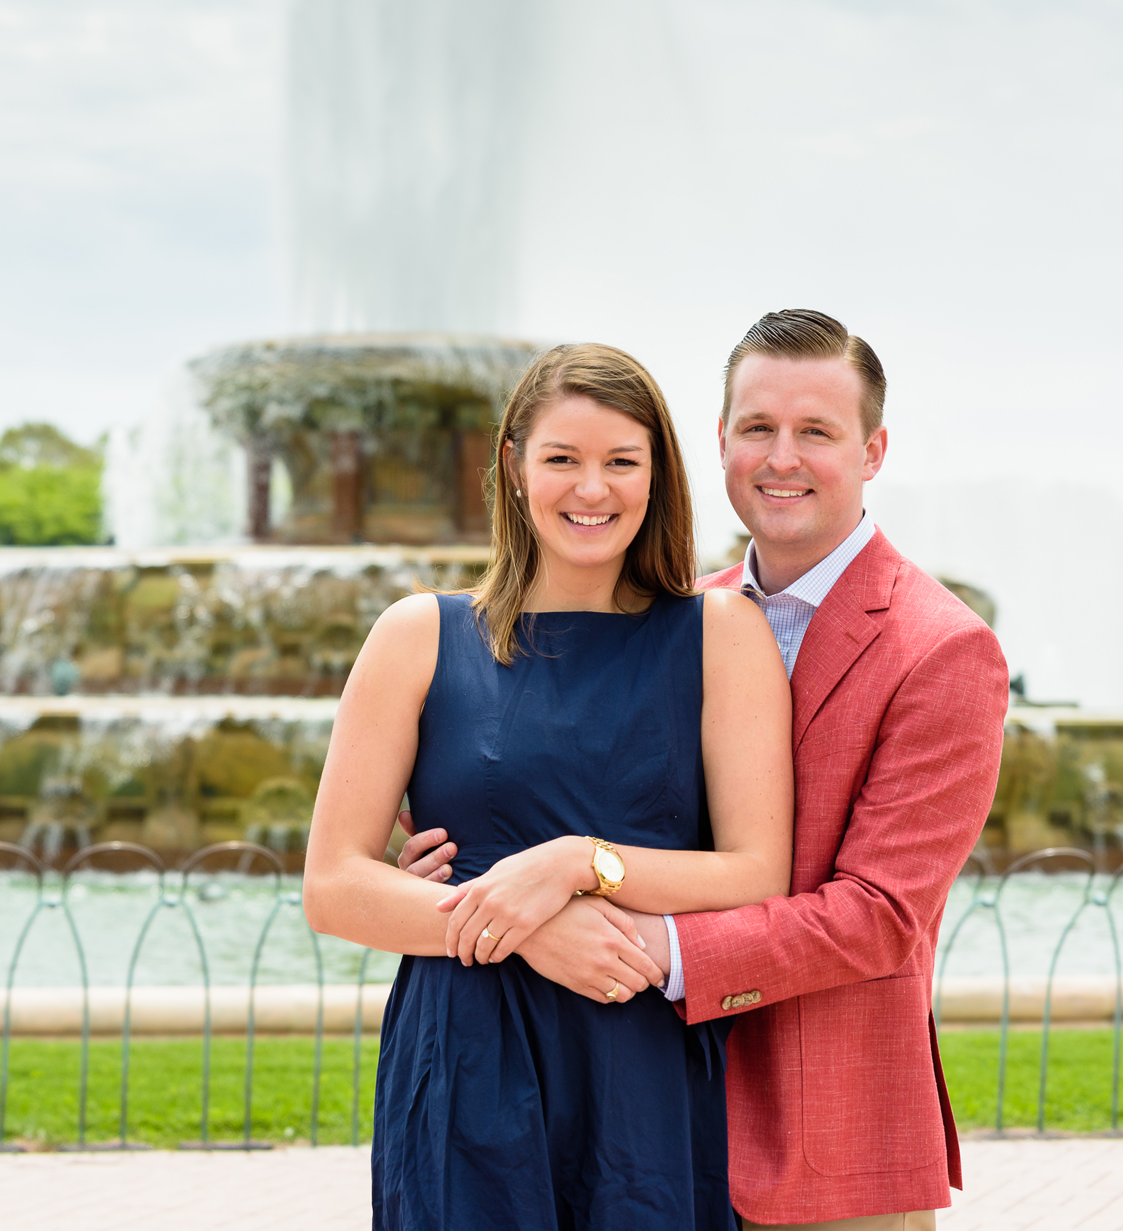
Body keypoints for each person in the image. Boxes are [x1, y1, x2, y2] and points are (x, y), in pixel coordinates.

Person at [401, 311, 1008, 1230]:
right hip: (649, 1122)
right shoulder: (680, 620)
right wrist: (472, 888)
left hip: (826, 1146)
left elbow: (883, 917)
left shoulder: (943, 649)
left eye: (817, 432)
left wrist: (638, 938)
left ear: (873, 449)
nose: (781, 457)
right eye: (757, 429)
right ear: (719, 441)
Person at [303, 342, 796, 1230]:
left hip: (641, 1056)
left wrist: (576, 864)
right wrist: (522, 929)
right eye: (562, 458)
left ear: (658, 475)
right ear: (514, 466)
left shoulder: (720, 631)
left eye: (621, 461)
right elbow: (334, 885)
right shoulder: (417, 635)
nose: (592, 488)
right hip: (465, 1060)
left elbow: (758, 870)